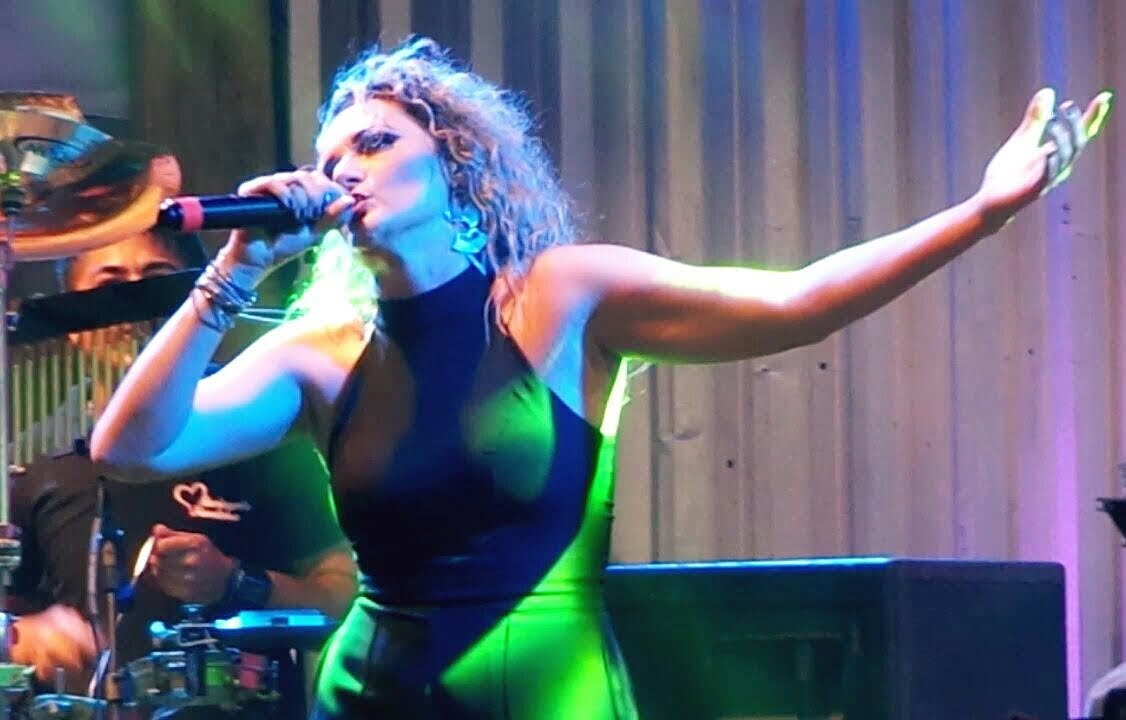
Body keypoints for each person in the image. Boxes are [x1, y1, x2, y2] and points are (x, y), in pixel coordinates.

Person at [89, 36, 1112, 719]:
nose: (343, 168)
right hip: (369, 691)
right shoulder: (322, 350)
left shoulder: (561, 296)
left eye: (375, 141)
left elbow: (797, 300)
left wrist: (981, 213)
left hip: (546, 690)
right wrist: (233, 271)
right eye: (328, 157)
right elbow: (129, 447)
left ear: (452, 161)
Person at [9, 228, 358, 718]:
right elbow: (13, 611)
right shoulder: (39, 471)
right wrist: (22, 634)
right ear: (75, 325)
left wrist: (236, 581)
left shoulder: (263, 440)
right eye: (111, 286)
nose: (137, 302)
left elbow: (345, 601)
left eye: (158, 279)